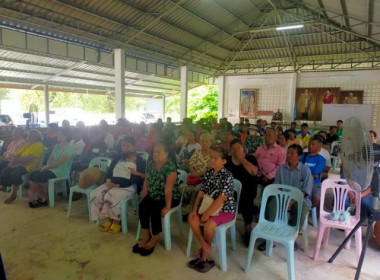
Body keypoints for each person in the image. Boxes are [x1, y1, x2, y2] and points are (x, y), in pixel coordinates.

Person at [187, 147, 236, 273]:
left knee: (208, 225)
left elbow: (221, 199)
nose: (212, 160)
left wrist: (207, 213)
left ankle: (204, 257)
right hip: (207, 206)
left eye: (216, 158)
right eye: (211, 157)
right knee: (192, 219)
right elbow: (201, 192)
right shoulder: (209, 173)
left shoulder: (228, 176)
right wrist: (194, 210)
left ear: (224, 161)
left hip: (225, 210)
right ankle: (205, 246)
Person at [258, 144, 313, 251]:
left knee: (300, 212)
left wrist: (291, 202)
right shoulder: (281, 169)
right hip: (282, 197)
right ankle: (270, 238)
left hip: (300, 199)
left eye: (292, 153)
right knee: (271, 206)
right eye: (288, 152)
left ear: (299, 156)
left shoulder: (305, 170)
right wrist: (283, 199)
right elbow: (277, 186)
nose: (289, 155)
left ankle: (291, 237)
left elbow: (306, 191)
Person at [132, 142, 180, 256]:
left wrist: (167, 206)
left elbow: (168, 190)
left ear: (167, 153)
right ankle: (147, 235)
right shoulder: (150, 164)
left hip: (170, 197)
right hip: (154, 194)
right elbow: (146, 183)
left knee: (155, 208)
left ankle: (155, 236)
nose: (155, 154)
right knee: (142, 206)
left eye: (159, 152)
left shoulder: (170, 167)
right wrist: (143, 197)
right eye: (154, 152)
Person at [90, 136, 146, 233]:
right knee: (95, 194)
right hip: (113, 183)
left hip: (129, 186)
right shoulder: (118, 157)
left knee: (111, 196)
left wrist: (118, 185)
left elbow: (138, 177)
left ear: (134, 147)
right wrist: (108, 181)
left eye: (128, 146)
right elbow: (110, 171)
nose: (125, 148)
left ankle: (117, 222)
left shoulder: (139, 160)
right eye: (123, 145)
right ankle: (109, 219)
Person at [27, 128, 76, 208]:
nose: (57, 136)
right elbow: (50, 159)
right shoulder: (57, 146)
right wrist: (47, 166)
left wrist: (46, 168)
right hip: (50, 168)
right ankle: (43, 197)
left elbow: (59, 163)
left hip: (61, 171)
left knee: (38, 177)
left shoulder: (70, 148)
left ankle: (40, 195)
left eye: (59, 134)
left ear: (66, 136)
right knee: (32, 175)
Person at [225, 139, 258, 246]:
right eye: (233, 149)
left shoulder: (250, 158)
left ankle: (248, 229)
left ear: (243, 148)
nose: (236, 151)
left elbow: (254, 172)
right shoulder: (227, 161)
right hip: (231, 192)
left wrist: (242, 159)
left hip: (248, 191)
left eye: (238, 148)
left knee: (247, 200)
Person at [1, 130, 44, 204]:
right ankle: (6, 186)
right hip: (20, 164)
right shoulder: (28, 144)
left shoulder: (39, 145)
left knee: (15, 174)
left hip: (30, 166)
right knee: (6, 171)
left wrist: (17, 162)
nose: (28, 137)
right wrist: (12, 162)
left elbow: (29, 158)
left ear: (35, 137)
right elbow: (17, 154)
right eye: (28, 135)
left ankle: (13, 193)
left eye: (30, 136)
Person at [300, 135, 326, 208]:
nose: (310, 146)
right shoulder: (302, 156)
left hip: (314, 183)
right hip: (300, 180)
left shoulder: (321, 159)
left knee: (316, 199)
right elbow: (298, 169)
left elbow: (315, 171)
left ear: (319, 147)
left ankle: (307, 208)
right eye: (309, 144)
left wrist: (310, 174)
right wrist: (311, 175)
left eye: (313, 144)